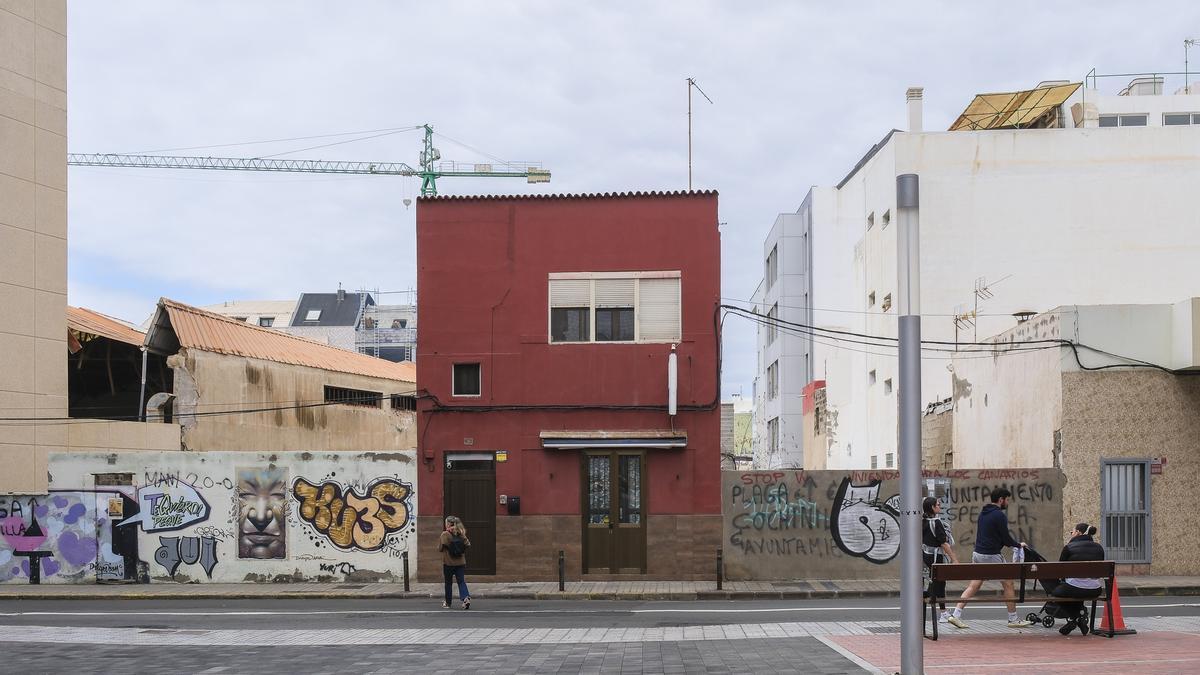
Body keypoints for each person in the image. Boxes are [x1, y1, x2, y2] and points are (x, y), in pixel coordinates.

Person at [946, 487, 1032, 629]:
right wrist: (1019, 545)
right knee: (1008, 584)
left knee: (974, 585)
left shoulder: (983, 513)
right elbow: (1006, 539)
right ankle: (1013, 619)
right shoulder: (999, 515)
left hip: (978, 554)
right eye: (1007, 500)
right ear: (1001, 500)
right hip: (991, 555)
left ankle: (955, 615)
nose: (1008, 502)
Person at [1045, 523, 1105, 635]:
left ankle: (1076, 618)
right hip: (1095, 589)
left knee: (1056, 593)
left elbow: (1060, 570)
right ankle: (1076, 619)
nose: (1071, 534)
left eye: (1072, 532)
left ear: (1078, 532)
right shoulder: (1099, 548)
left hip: (1075, 587)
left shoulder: (1069, 547)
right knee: (1076, 587)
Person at [921, 496, 960, 624]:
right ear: (932, 507)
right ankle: (941, 611)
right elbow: (944, 543)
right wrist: (954, 559)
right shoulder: (936, 522)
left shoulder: (921, 521)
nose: (940, 506)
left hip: (926, 555)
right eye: (937, 504)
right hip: (936, 557)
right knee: (940, 583)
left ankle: (941, 610)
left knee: (935, 581)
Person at [438, 515, 472, 609]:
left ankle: (448, 603)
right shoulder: (460, 533)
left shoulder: (445, 534)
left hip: (448, 563)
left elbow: (440, 548)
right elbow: (468, 544)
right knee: (461, 581)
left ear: (448, 524)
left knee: (448, 583)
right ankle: (465, 597)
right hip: (461, 562)